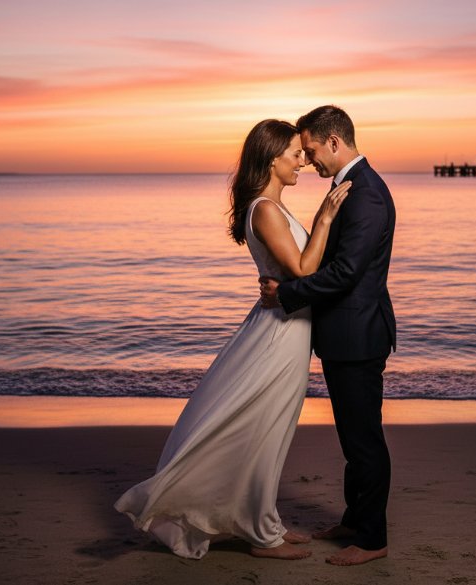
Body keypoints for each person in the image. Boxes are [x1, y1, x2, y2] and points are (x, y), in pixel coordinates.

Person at [113, 119, 351, 560]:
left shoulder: (273, 207)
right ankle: (261, 535)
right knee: (262, 427)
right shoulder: (264, 209)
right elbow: (301, 271)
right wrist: (325, 218)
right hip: (279, 336)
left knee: (269, 430)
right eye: (295, 153)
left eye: (303, 152)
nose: (303, 159)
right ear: (271, 158)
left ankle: (264, 522)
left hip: (290, 330)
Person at [259, 105, 396, 567]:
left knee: (364, 440)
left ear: (335, 143)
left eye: (313, 150)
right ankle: (354, 519)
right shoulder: (350, 189)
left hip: (358, 336)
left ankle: (372, 538)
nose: (309, 160)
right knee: (352, 437)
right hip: (345, 333)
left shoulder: (367, 195)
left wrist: (289, 292)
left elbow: (346, 272)